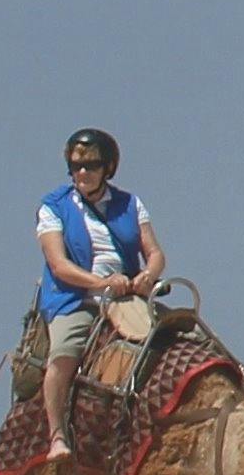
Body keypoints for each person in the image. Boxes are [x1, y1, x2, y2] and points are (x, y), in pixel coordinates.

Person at [33, 127, 169, 429]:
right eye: (76, 166)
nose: (83, 172)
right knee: (64, 353)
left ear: (107, 168)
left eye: (91, 165)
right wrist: (102, 283)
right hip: (77, 299)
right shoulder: (54, 207)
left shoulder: (130, 204)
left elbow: (155, 253)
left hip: (127, 298)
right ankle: (57, 435)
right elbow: (59, 265)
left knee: (191, 336)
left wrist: (148, 275)